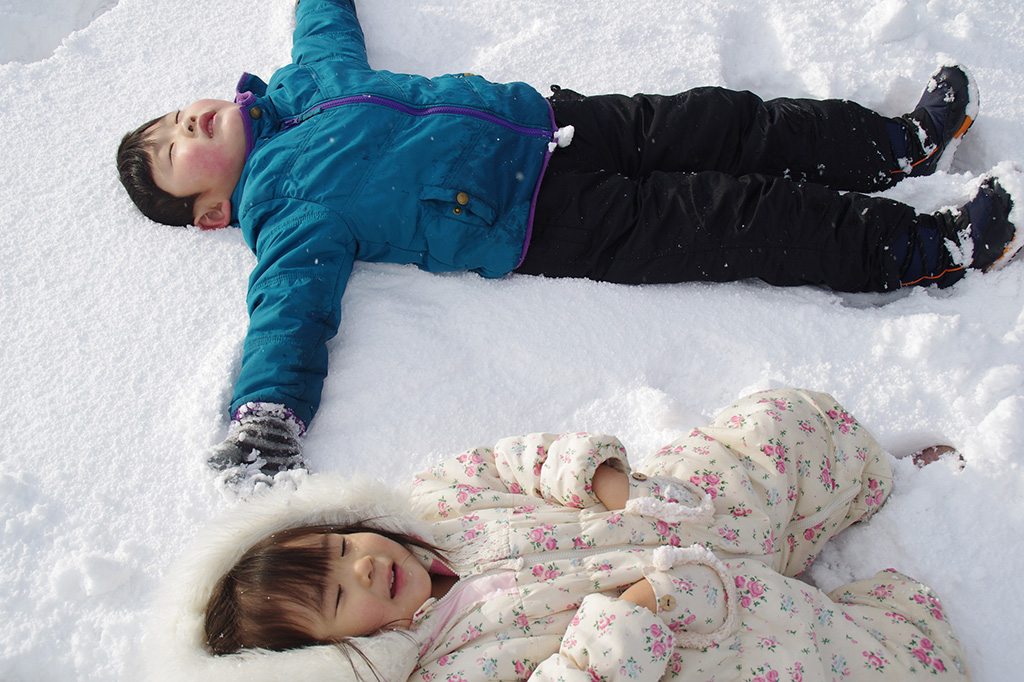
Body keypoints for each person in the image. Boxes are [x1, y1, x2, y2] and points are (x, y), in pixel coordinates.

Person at [116, 0, 1020, 478]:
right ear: (210, 213)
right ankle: (927, 248)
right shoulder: (282, 208)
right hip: (538, 222)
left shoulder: (304, 83)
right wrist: (264, 413)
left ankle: (896, 143)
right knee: (735, 218)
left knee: (730, 123)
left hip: (556, 123)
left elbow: (324, 18)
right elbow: (287, 310)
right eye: (169, 155)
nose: (180, 130)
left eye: (170, 121)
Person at [145, 388, 970, 682]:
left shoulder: (433, 509)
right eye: (336, 594)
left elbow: (507, 463)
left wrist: (588, 475)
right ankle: (861, 618)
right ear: (338, 659)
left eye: (338, 548)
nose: (364, 565)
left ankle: (865, 471)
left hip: (672, 512)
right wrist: (627, 618)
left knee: (777, 426)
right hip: (690, 625)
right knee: (826, 656)